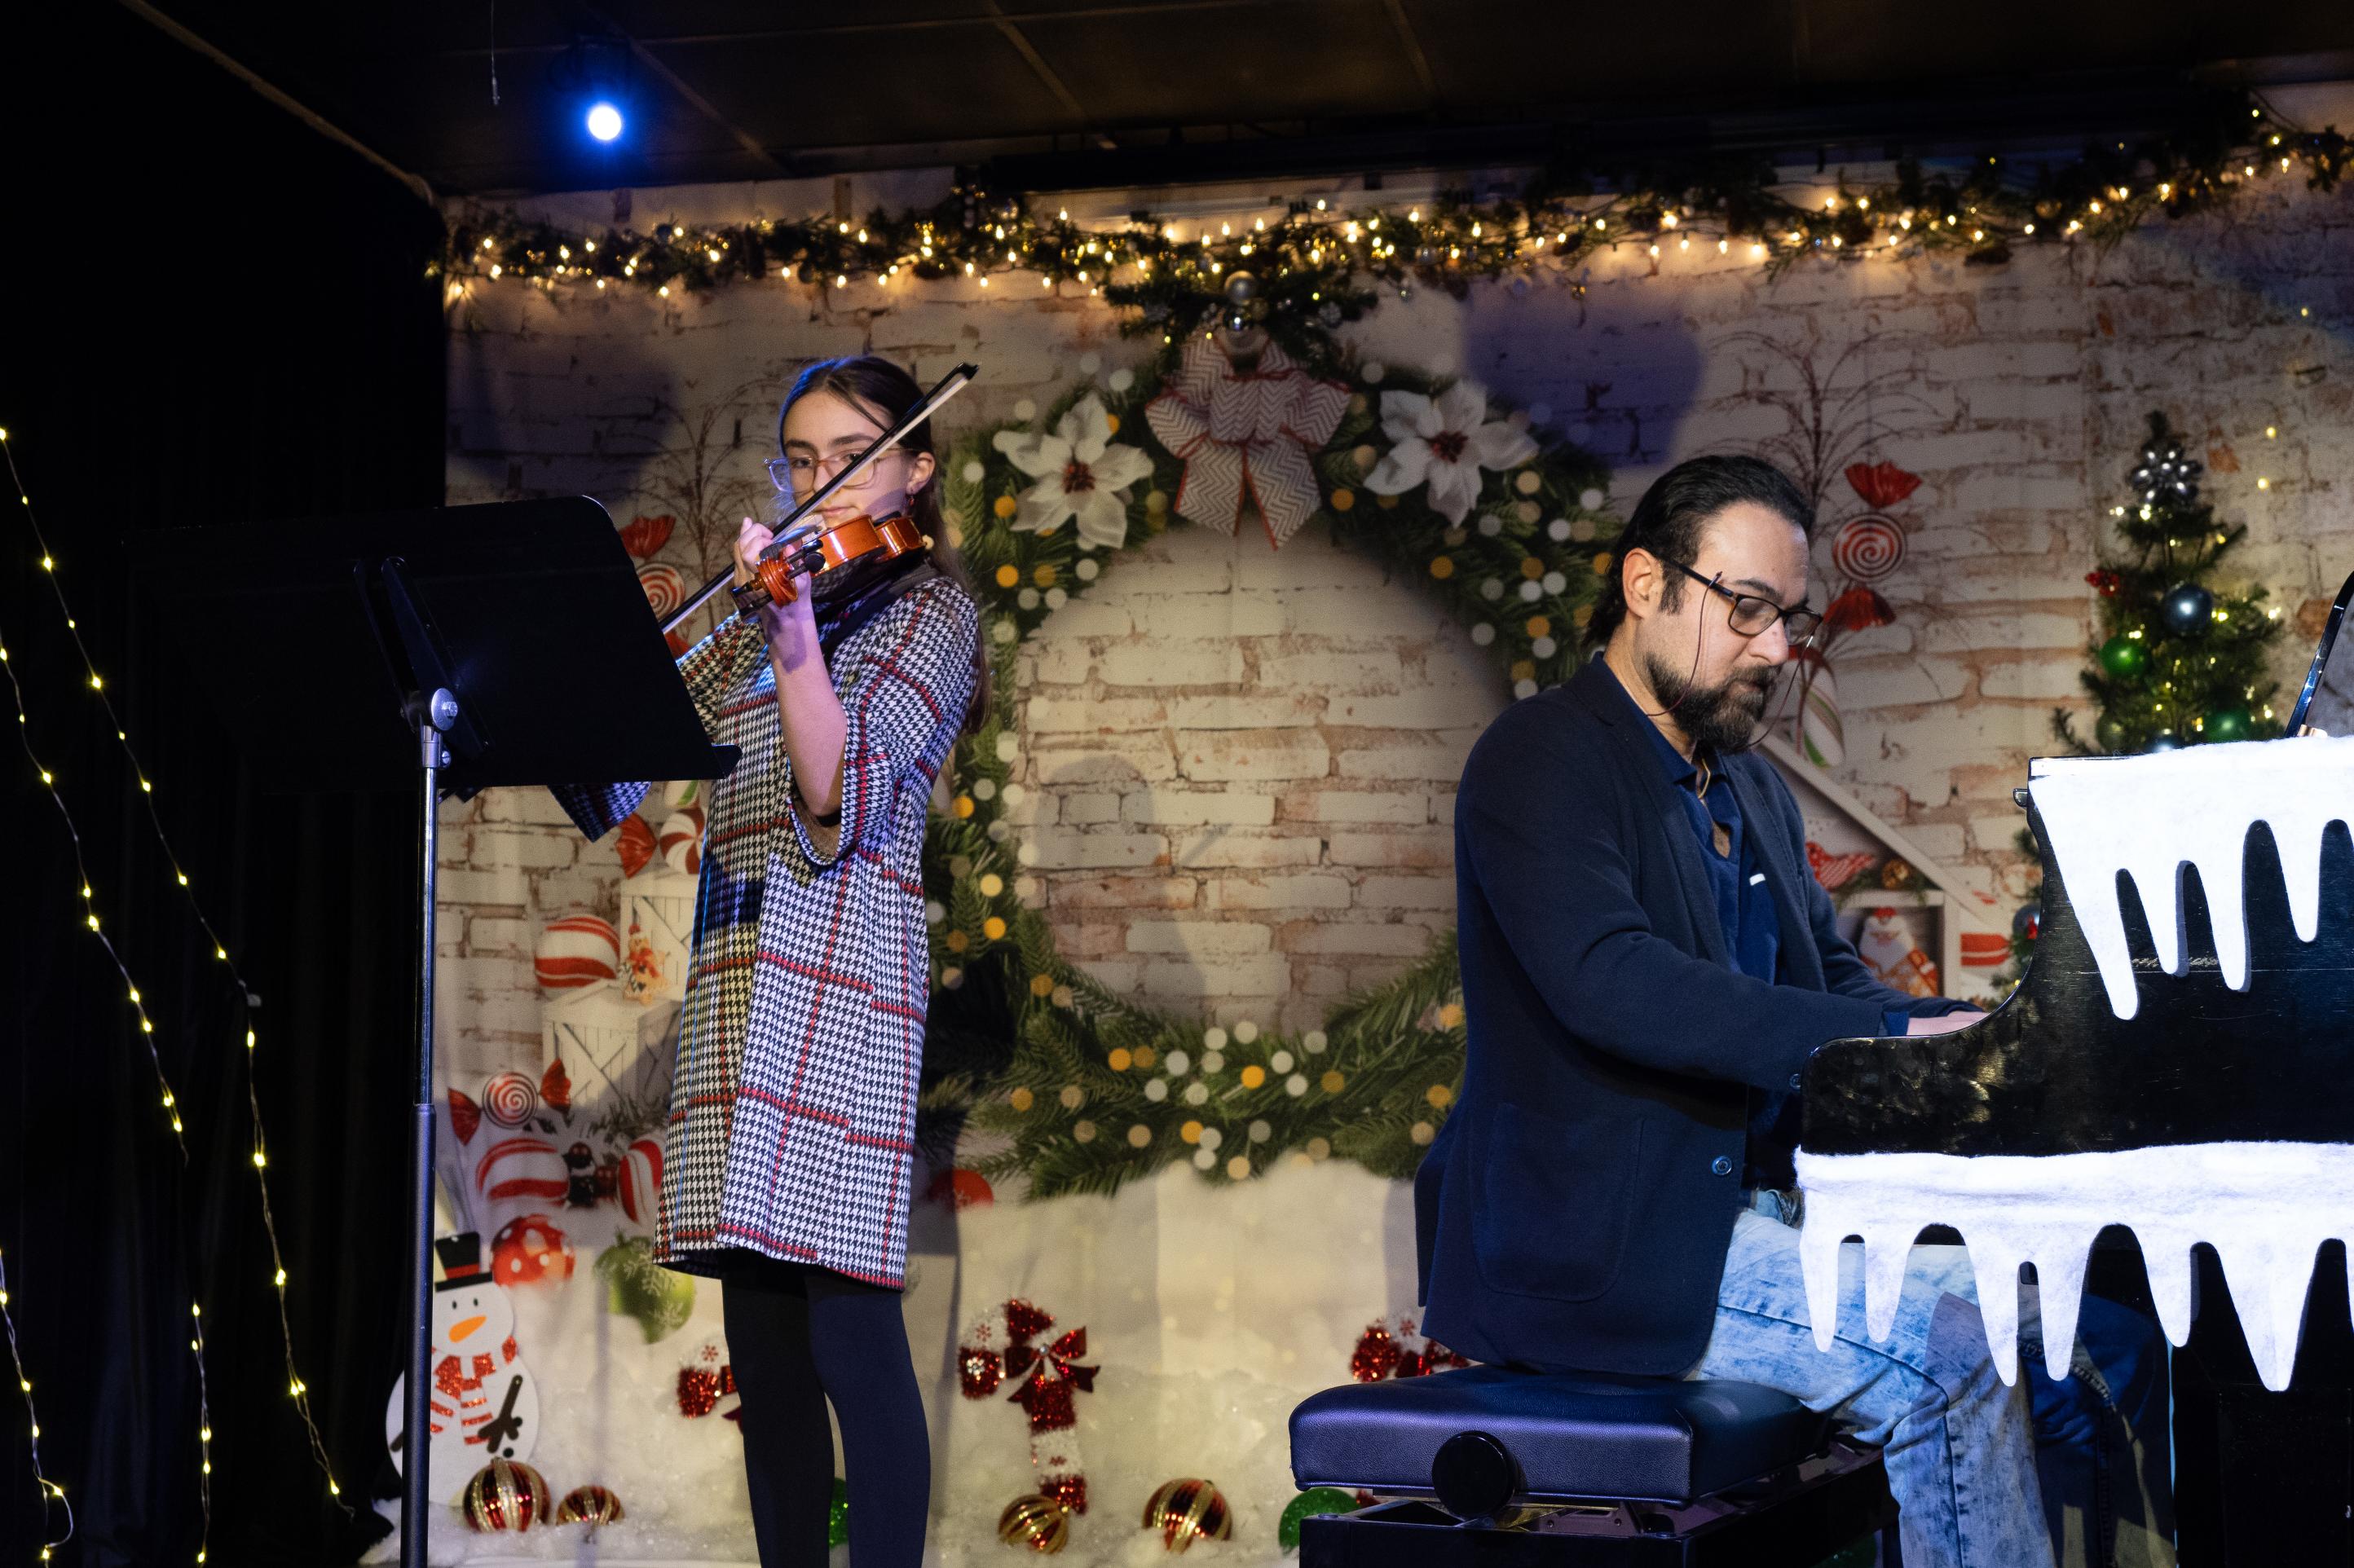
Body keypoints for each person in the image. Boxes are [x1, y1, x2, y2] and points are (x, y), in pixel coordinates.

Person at [1417, 455, 2173, 1568]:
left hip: (1763, 1221)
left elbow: (1834, 984)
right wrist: (1874, 1037)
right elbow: (1611, 979)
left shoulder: (1750, 785)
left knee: (2090, 1317)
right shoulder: (1539, 757)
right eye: (1750, 610)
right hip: (1618, 1250)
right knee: (1958, 1351)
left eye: (1790, 619)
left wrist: (1966, 1033)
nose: (1776, 650)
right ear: (1644, 584)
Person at [553, 355, 985, 1568]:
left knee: (850, 1345)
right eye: (800, 460)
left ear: (915, 465)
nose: (822, 483)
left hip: (844, 983)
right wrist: (726, 621)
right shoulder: (782, 601)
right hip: (744, 977)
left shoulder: (926, 612)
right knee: (771, 1362)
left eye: (850, 456)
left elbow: (836, 791)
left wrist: (791, 638)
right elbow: (618, 757)